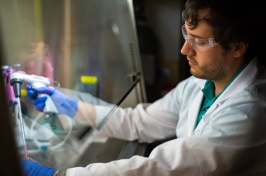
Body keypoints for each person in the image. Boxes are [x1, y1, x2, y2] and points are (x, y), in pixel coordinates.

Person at [21, 0, 266, 175]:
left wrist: (59, 175)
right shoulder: (199, 84)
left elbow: (164, 168)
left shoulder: (250, 111)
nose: (184, 50)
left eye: (199, 42)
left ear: (237, 47)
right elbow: (139, 122)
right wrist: (70, 105)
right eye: (186, 35)